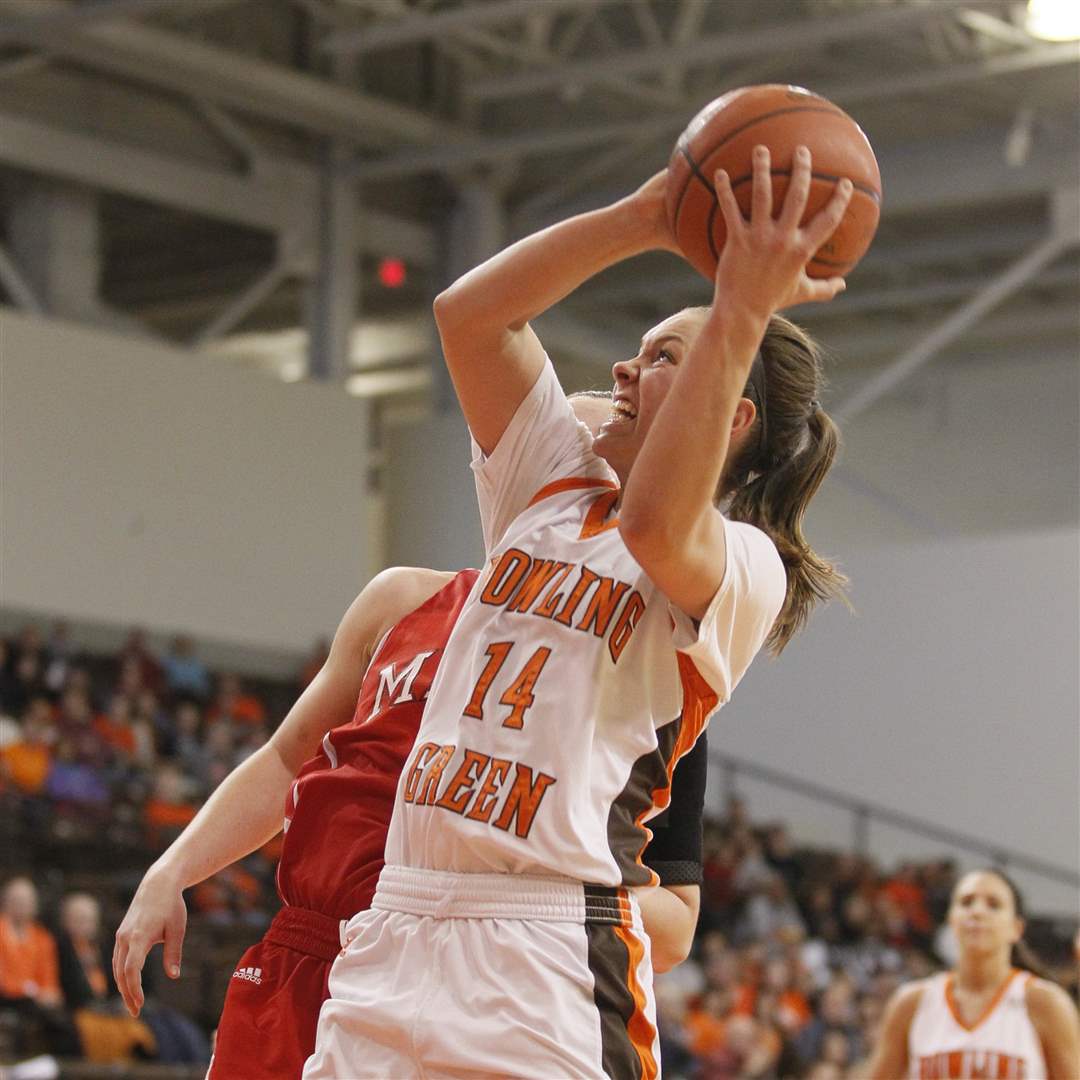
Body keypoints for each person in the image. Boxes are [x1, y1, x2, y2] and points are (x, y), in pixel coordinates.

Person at [304, 146, 852, 1078]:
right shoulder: (549, 486)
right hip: (399, 916)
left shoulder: (743, 567)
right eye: (637, 352)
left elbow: (653, 522)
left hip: (546, 942)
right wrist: (643, 218)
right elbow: (469, 316)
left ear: (732, 420)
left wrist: (743, 307)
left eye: (662, 358)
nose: (623, 369)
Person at [114, 396, 705, 1079]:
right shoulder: (402, 599)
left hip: (470, 971)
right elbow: (284, 759)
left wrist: (527, 884)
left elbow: (674, 928)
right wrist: (173, 871)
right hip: (307, 949)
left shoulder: (649, 667)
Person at [865, 868, 1080, 1079]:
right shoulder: (911, 1002)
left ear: (1016, 928)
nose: (977, 912)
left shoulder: (1046, 1003)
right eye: (966, 902)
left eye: (994, 905)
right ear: (951, 920)